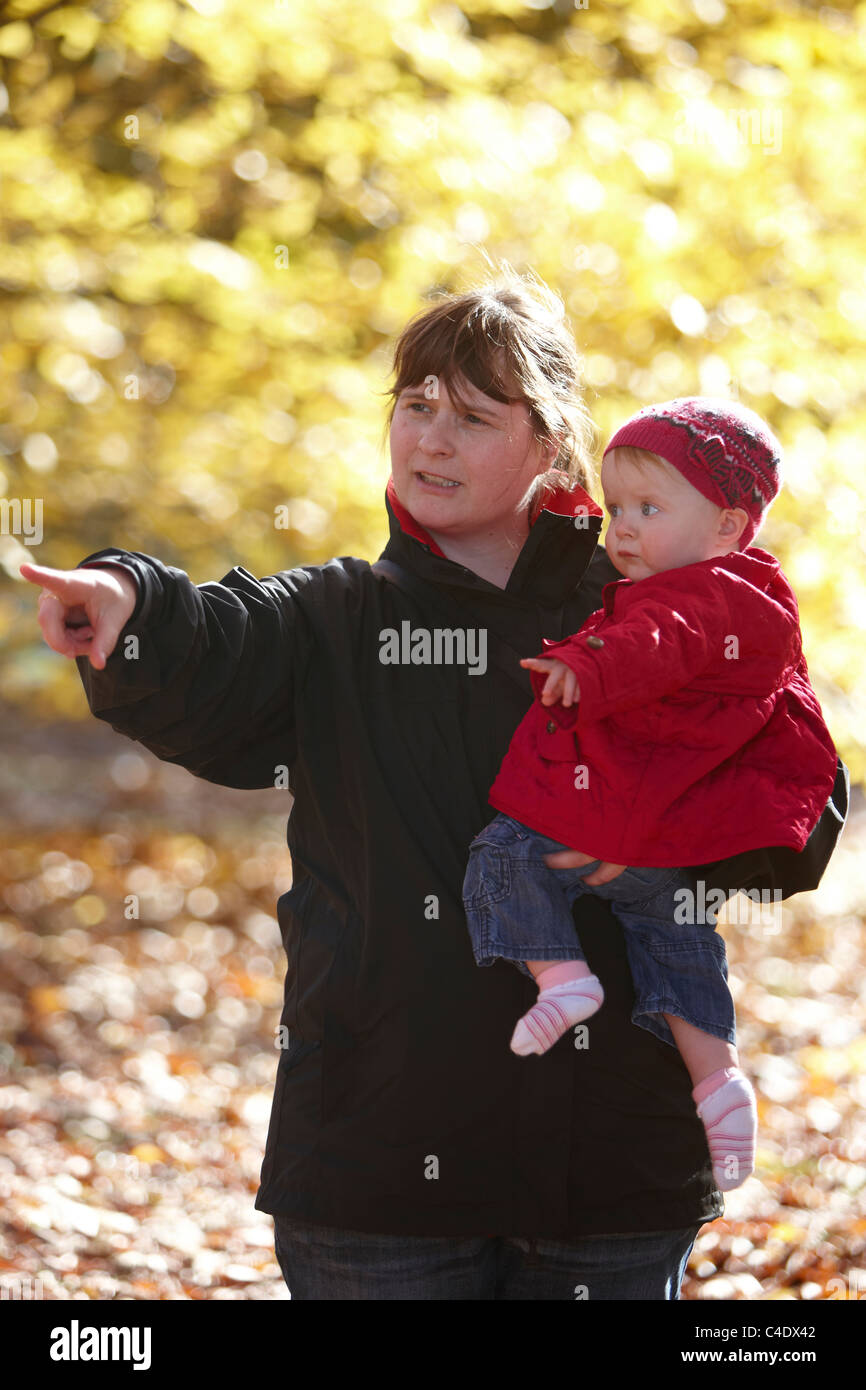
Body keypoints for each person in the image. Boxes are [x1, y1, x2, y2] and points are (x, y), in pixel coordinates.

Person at [20, 269, 848, 1300]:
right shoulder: (336, 616)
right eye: (414, 407)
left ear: (548, 446)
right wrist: (124, 596)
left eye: (469, 415)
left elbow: (798, 791)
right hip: (378, 1164)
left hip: (612, 1162)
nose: (430, 439)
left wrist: (668, 843)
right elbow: (211, 640)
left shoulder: (660, 616)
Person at [461, 398, 839, 1194]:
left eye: (649, 509)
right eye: (617, 507)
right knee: (677, 943)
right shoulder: (728, 587)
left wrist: (585, 666)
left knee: (502, 855)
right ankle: (719, 1082)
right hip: (661, 832)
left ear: (730, 526)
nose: (622, 529)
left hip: (638, 815)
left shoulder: (705, 595)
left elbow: (655, 644)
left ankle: (562, 979)